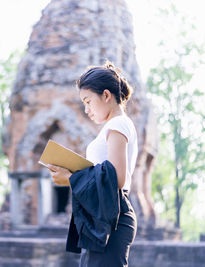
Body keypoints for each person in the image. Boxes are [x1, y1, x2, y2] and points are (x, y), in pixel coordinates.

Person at [47, 60, 138, 267]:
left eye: (88, 101)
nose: (86, 109)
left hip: (113, 215)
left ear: (106, 95)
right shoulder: (112, 126)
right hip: (101, 214)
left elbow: (117, 177)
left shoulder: (118, 124)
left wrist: (71, 178)